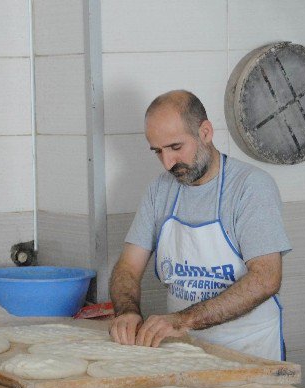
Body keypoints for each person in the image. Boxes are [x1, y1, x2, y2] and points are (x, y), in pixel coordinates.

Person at [108, 90, 291, 361]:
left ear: (205, 132)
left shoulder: (250, 186)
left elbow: (266, 279)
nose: (168, 163)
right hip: (185, 351)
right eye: (158, 152)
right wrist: (127, 311)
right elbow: (127, 268)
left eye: (176, 147)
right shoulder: (160, 191)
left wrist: (183, 320)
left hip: (249, 352)